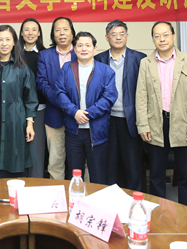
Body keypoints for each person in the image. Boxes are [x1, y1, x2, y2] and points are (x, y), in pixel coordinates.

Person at [136, 21, 187, 209]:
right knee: (156, 174)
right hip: (155, 124)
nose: (162, 39)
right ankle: (157, 215)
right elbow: (141, 97)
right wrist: (143, 125)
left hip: (182, 123)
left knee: (186, 175)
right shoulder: (146, 63)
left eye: (166, 35)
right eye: (157, 36)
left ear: (173, 36)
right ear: (153, 39)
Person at [56, 31, 117, 185]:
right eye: (80, 45)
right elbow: (59, 93)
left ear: (95, 48)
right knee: (75, 176)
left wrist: (88, 114)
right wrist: (74, 112)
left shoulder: (106, 71)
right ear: (75, 49)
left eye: (88, 45)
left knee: (98, 176)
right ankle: (76, 200)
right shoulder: (67, 69)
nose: (84, 49)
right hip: (73, 131)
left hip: (97, 132)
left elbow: (109, 97)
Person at [0, 25, 38, 178]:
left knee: (17, 159)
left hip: (16, 121)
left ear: (14, 42)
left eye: (8, 39)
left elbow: (30, 98)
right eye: (0, 40)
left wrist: (30, 124)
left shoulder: (22, 68)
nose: (4, 43)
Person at [95, 20, 147, 191]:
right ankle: (111, 200)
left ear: (127, 36)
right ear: (107, 37)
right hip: (107, 120)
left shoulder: (140, 59)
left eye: (121, 34)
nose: (118, 37)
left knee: (132, 165)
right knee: (109, 165)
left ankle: (135, 201)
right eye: (114, 34)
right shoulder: (99, 60)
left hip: (130, 120)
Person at [36, 16, 76, 180]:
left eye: (65, 29)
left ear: (72, 33)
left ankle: (82, 193)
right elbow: (42, 82)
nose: (62, 33)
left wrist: (71, 107)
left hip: (78, 116)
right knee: (55, 161)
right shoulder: (45, 55)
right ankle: (57, 194)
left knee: (80, 162)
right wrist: (62, 103)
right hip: (54, 115)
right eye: (57, 30)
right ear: (53, 34)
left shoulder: (81, 52)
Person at [19, 18, 48, 178]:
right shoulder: (14, 53)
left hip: (39, 109)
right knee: (18, 149)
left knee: (37, 150)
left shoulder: (45, 54)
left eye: (34, 29)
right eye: (26, 29)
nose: (30, 33)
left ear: (39, 33)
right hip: (16, 109)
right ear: (21, 33)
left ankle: (36, 183)